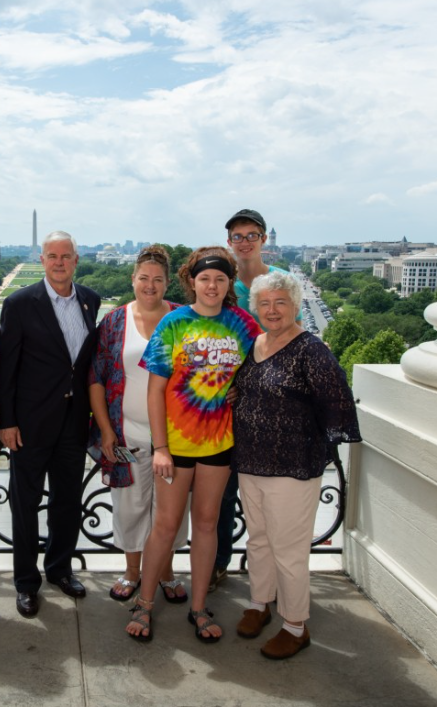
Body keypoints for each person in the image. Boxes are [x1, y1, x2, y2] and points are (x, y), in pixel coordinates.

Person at [126, 246, 261, 643]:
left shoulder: (242, 323)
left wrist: (240, 387)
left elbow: (260, 366)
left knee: (205, 524)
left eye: (220, 279)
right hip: (177, 445)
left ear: (229, 283)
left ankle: (199, 607)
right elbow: (155, 390)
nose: (212, 286)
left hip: (219, 444)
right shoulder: (174, 322)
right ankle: (144, 603)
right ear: (192, 281)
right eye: (205, 278)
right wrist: (160, 447)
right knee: (166, 526)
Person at [232, 271, 360, 659]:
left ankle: (295, 625)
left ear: (295, 305)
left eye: (280, 303)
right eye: (265, 304)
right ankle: (259, 603)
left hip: (293, 466)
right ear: (256, 308)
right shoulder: (256, 343)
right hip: (251, 460)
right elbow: (248, 388)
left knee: (288, 549)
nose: (272, 310)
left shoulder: (311, 350)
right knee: (258, 539)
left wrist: (314, 443)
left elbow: (337, 402)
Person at [0, 230, 101, 618]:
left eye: (66, 256)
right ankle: (26, 582)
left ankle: (60, 569)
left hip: (74, 423)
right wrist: (7, 422)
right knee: (25, 504)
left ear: (76, 260)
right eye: (52, 256)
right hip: (30, 424)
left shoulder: (90, 300)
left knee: (67, 502)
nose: (59, 262)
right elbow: (6, 368)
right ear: (41, 260)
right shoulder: (20, 303)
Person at [88, 245, 190, 604]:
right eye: (144, 278)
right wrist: (106, 429)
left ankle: (165, 571)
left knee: (171, 510)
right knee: (130, 505)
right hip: (126, 432)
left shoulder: (183, 318)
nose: (150, 285)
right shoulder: (115, 321)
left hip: (176, 436)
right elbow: (96, 379)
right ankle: (132, 571)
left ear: (167, 283)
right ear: (133, 279)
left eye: (158, 279)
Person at [210, 209, 302, 593]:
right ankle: (217, 565)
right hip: (227, 405)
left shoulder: (280, 281)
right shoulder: (220, 281)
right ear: (229, 241)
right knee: (222, 494)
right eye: (238, 236)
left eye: (251, 235)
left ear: (263, 238)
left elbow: (293, 337)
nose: (245, 242)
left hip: (270, 403)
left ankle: (273, 576)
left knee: (271, 499)